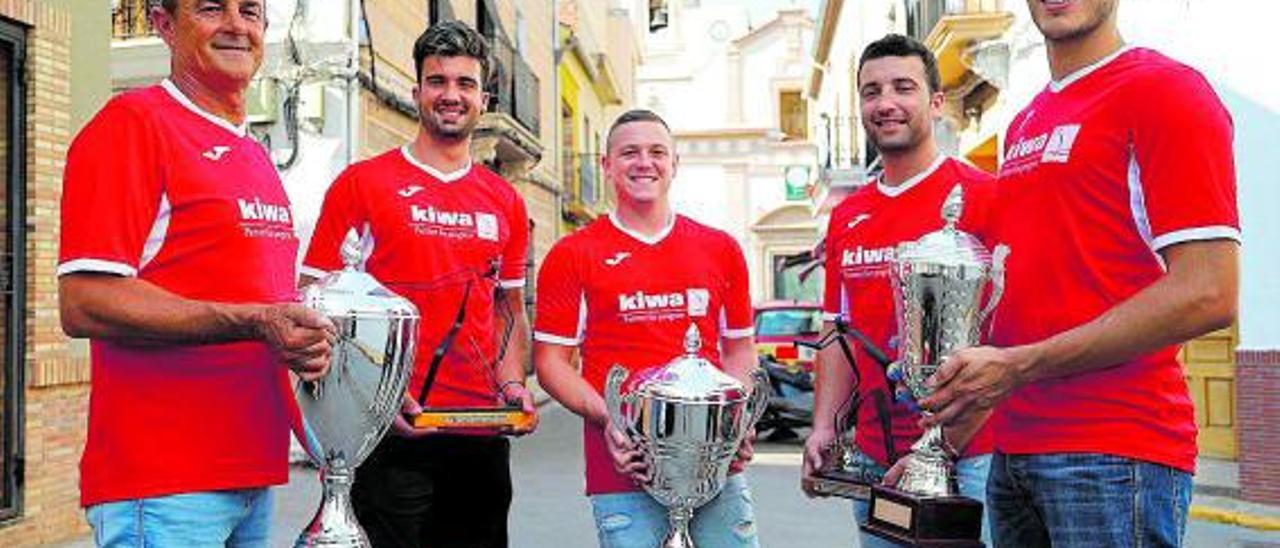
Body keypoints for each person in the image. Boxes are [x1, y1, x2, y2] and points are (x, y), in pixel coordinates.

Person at [919, 1, 1239, 546]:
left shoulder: (1166, 90)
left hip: (1115, 455)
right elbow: (1027, 298)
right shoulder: (1023, 121)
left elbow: (1208, 291)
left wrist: (1019, 366)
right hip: (1016, 454)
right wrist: (942, 441)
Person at [58, 0, 336, 545]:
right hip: (165, 484)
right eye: (212, 8)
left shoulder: (253, 155)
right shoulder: (133, 124)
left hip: (252, 474)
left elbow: (268, 306)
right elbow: (84, 299)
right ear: (164, 24)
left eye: (250, 11)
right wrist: (256, 321)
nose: (236, 25)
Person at [299, 20, 536, 548]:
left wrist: (514, 386)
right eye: (438, 81)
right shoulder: (362, 185)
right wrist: (375, 396)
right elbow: (314, 305)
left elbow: (508, 312)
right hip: (387, 434)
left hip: (480, 434)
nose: (451, 95)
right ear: (417, 92)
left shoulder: (506, 202)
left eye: (465, 83)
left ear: (483, 97)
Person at [798, 34, 997, 547]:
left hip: (970, 458)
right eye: (871, 92)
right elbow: (837, 332)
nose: (885, 103)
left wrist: (944, 447)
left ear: (934, 100)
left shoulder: (983, 196)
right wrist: (823, 426)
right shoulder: (848, 216)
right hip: (874, 459)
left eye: (902, 88)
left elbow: (1007, 336)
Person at [533, 109, 760, 548]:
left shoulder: (721, 249)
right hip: (623, 468)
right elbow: (551, 363)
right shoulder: (572, 254)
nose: (644, 163)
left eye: (657, 152)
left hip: (716, 468)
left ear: (675, 164)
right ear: (607, 165)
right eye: (629, 153)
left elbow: (738, 351)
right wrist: (611, 420)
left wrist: (739, 420)